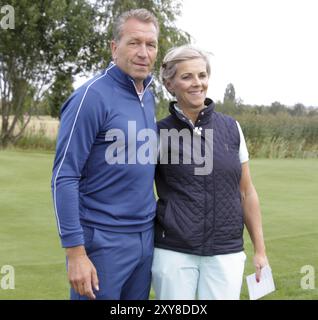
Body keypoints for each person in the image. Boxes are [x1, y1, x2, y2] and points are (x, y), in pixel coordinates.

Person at [51, 8, 159, 300]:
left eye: (151, 45)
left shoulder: (149, 96)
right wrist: (75, 252)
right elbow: (65, 175)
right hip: (102, 241)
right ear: (115, 47)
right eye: (134, 42)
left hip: (145, 239)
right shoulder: (91, 97)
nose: (143, 52)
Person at [152, 45, 269, 300]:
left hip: (225, 252)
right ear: (170, 84)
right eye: (187, 77)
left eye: (202, 75)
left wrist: (260, 250)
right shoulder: (156, 133)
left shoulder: (231, 128)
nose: (197, 83)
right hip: (174, 251)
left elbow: (246, 192)